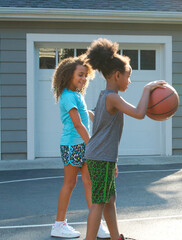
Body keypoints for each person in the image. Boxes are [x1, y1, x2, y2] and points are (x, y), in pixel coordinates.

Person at [84, 38, 166, 240]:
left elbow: (100, 125)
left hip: (103, 157)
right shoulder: (112, 98)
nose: (129, 81)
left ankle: (115, 238)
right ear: (116, 75)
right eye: (128, 77)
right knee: (99, 202)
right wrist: (147, 89)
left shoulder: (105, 96)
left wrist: (113, 162)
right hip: (101, 157)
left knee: (109, 199)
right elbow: (139, 113)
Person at [50, 56, 110, 238]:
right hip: (73, 145)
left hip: (83, 144)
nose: (83, 79)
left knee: (89, 182)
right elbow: (77, 124)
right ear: (68, 75)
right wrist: (92, 144)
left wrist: (96, 114)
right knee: (70, 183)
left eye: (85, 75)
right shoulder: (67, 96)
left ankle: (96, 223)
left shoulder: (76, 94)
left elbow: (84, 115)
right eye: (80, 75)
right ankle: (59, 225)